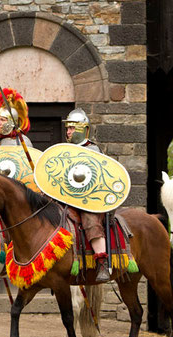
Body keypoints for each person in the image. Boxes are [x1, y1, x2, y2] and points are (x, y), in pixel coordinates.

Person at [64, 108, 110, 283]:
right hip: (66, 197)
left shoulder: (93, 150)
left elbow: (99, 178)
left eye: (72, 128)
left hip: (88, 199)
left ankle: (102, 262)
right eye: (67, 129)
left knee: (90, 221)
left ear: (83, 129)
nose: (68, 132)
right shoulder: (65, 150)